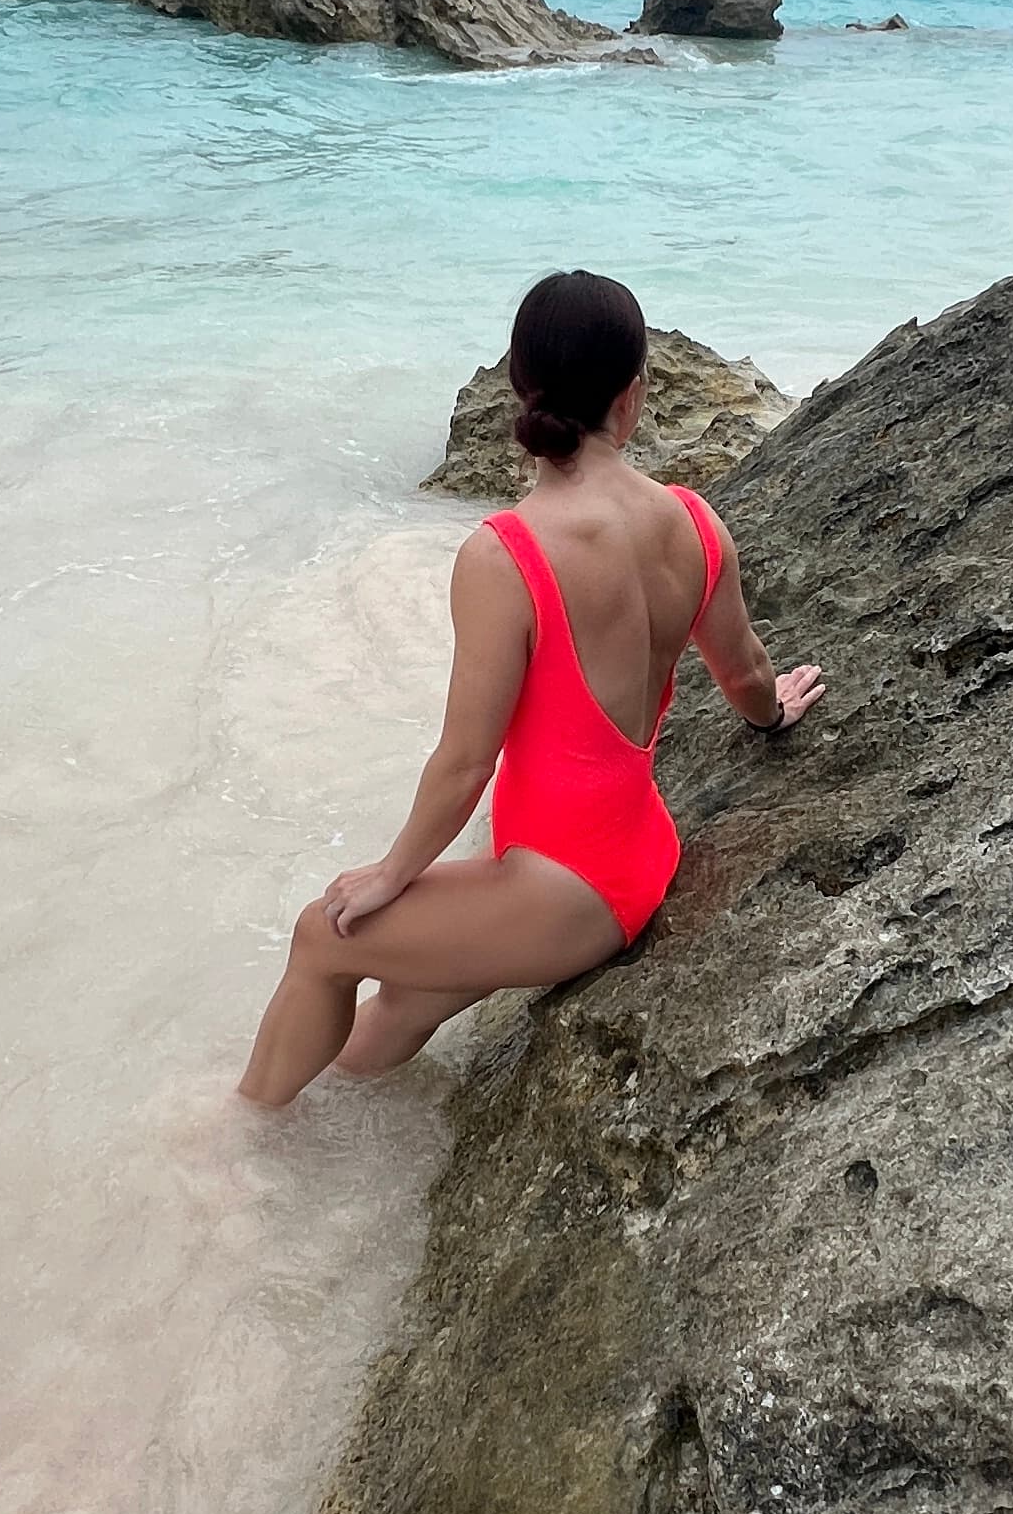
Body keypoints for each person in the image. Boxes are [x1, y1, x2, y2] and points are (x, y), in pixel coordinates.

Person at [238, 270, 821, 1107]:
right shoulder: (695, 521)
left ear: (519, 388)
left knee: (322, 936)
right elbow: (747, 673)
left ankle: (233, 1139)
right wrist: (774, 719)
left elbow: (466, 760)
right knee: (406, 1000)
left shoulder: (504, 554)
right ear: (634, 396)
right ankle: (334, 1137)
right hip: (633, 850)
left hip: (568, 894)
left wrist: (391, 875)